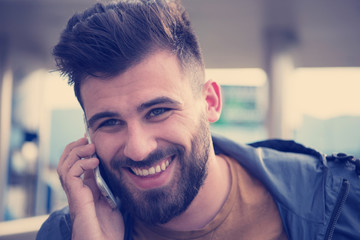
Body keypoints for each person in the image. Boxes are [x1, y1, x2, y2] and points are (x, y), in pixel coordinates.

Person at [37, 0, 360, 239]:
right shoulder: (68, 233)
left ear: (210, 102)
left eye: (158, 111)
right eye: (109, 122)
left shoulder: (340, 202)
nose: (137, 148)